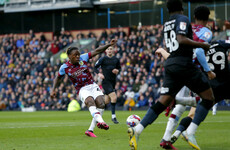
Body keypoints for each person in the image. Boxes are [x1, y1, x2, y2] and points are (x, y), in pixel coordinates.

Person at [127, 1, 214, 150]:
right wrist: (203, 45)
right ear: (182, 8)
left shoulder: (167, 23)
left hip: (171, 64)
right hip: (184, 64)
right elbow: (181, 39)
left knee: (163, 102)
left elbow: (170, 44)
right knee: (209, 98)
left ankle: (138, 129)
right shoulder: (183, 19)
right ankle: (190, 132)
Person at [159, 5, 214, 150]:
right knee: (205, 101)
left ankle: (166, 138)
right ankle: (179, 131)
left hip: (178, 66)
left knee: (181, 107)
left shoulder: (186, 26)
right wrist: (208, 71)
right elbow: (200, 52)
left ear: (194, 16)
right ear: (208, 18)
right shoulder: (206, 32)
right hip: (191, 69)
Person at [50, 39, 117, 138]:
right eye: (75, 55)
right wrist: (53, 89)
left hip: (93, 85)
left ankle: (90, 130)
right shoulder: (64, 67)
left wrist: (108, 44)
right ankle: (102, 122)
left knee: (101, 103)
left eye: (78, 54)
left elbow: (97, 51)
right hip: (82, 89)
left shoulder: (83, 58)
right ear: (69, 56)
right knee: (90, 102)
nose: (77, 57)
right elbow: (58, 78)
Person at [171, 40, 230, 149]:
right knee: (200, 108)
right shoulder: (221, 45)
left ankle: (177, 132)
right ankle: (186, 130)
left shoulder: (198, 48)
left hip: (204, 84)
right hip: (222, 82)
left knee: (196, 111)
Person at [94, 46, 121, 124]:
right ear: (106, 51)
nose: (109, 50)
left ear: (113, 50)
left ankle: (96, 115)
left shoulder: (116, 59)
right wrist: (99, 74)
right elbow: (95, 67)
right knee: (114, 97)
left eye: (111, 49)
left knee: (106, 101)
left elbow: (119, 68)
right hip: (105, 82)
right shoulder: (103, 59)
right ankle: (113, 117)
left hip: (113, 82)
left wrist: (117, 71)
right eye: (108, 49)